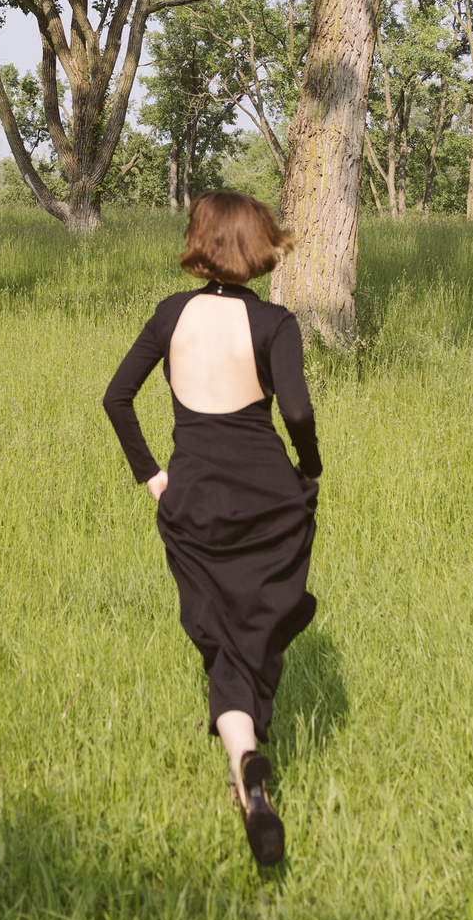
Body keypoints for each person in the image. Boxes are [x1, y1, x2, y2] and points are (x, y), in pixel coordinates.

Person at [101, 190, 321, 866]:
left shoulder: (172, 314)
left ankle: (245, 760)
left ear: (199, 242)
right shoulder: (275, 323)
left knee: (221, 641)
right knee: (256, 633)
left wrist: (152, 475)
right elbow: (297, 412)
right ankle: (250, 765)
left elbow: (116, 397)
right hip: (269, 499)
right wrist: (309, 468)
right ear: (259, 247)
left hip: (194, 501)